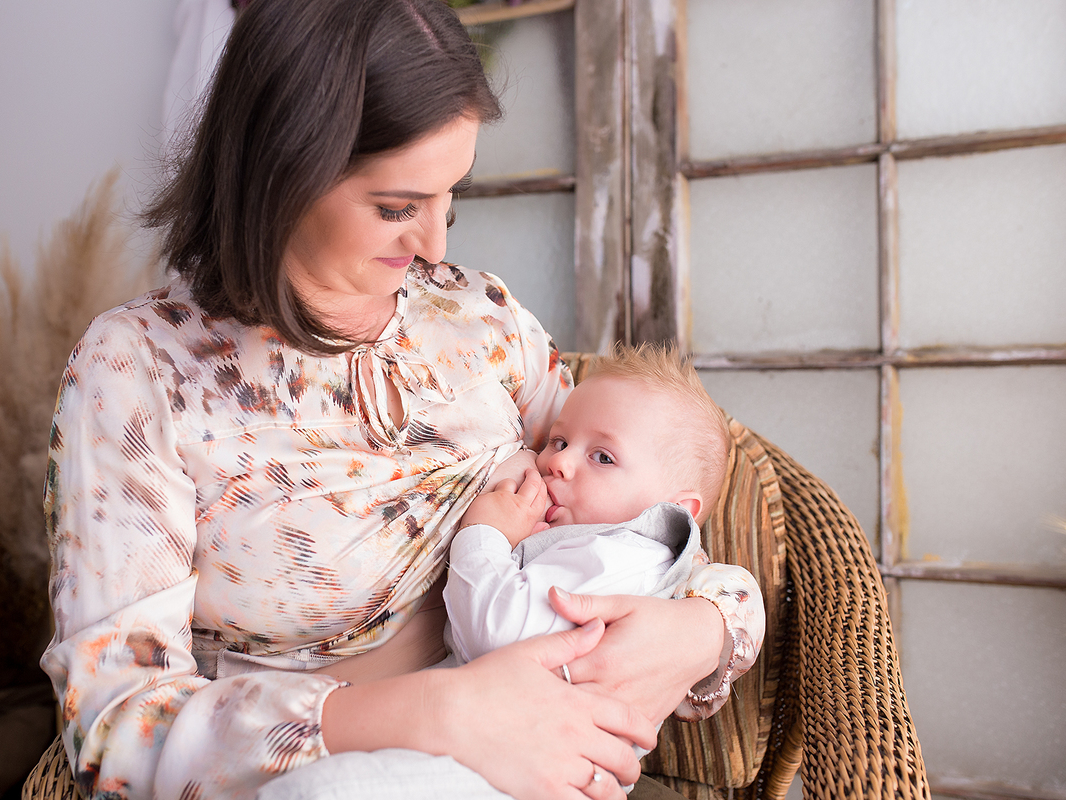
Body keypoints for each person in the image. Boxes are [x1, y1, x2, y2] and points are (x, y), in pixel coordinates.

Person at [39, 2, 765, 799]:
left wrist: (703, 630)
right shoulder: (140, 370)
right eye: (396, 208)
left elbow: (650, 504)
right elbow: (117, 729)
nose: (435, 248)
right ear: (282, 170)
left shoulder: (480, 318)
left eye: (449, 199)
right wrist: (437, 712)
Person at [444, 344, 757, 671]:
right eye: (560, 442)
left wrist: (484, 531)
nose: (558, 462)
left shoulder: (622, 557)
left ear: (674, 508)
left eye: (603, 457)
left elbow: (493, 634)